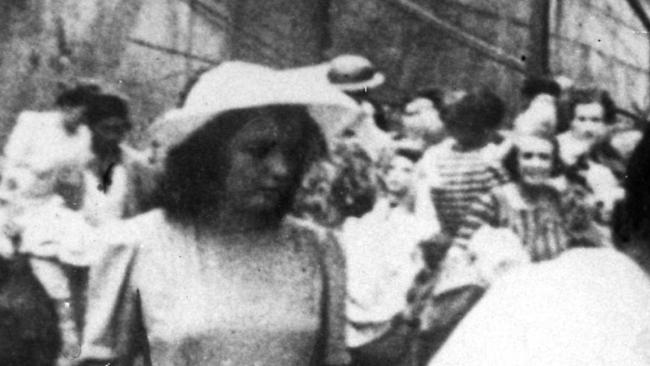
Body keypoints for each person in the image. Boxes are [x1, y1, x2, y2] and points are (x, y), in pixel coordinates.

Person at [78, 61, 355, 366]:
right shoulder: (137, 244)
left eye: (292, 152)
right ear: (206, 153)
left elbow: (333, 360)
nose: (281, 169)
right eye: (258, 151)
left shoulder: (316, 250)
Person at [427, 120, 650, 366]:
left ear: (553, 163)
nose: (535, 164)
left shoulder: (562, 200)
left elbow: (593, 242)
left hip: (554, 306)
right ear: (515, 161)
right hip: (501, 307)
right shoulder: (492, 201)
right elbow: (458, 253)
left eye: (543, 157)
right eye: (528, 156)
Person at [341, 146, 432, 366]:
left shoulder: (418, 224)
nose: (396, 175)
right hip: (359, 301)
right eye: (391, 168)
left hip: (392, 311)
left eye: (406, 170)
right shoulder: (364, 219)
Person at [54, 83, 156, 224]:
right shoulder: (72, 164)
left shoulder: (135, 166)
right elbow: (64, 212)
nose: (112, 137)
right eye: (106, 129)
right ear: (91, 127)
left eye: (118, 130)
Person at [415, 86, 508, 240]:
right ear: (489, 129)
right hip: (484, 240)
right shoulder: (492, 159)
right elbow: (504, 210)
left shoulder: (435, 155)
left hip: (445, 236)